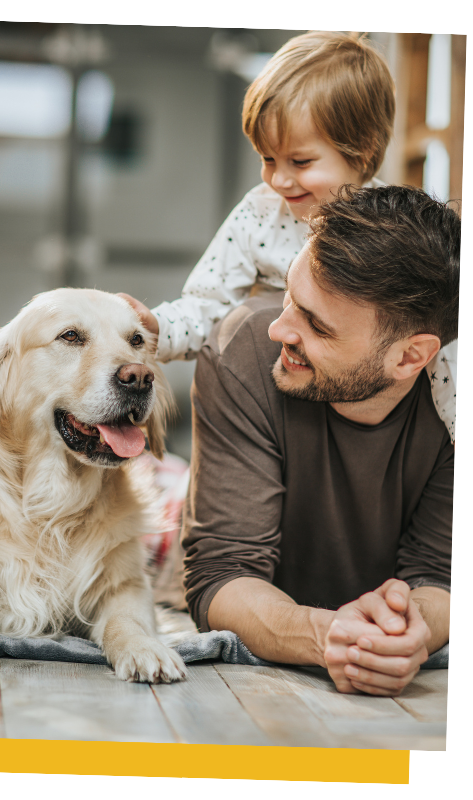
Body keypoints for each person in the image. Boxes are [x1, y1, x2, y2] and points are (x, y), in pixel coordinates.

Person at [182, 184, 455, 695]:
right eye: (290, 297)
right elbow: (220, 574)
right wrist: (328, 635)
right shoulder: (241, 352)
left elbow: (439, 578)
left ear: (411, 358)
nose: (278, 330)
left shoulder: (451, 410)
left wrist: (407, 631)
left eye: (317, 326)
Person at [121, 30, 457, 443]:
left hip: (362, 412)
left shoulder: (390, 234)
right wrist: (160, 328)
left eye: (300, 161)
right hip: (278, 413)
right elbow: (209, 300)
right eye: (267, 159)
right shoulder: (260, 213)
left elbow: (439, 343)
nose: (278, 179)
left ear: (364, 151)